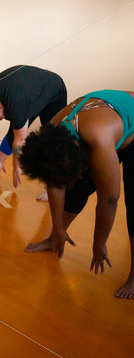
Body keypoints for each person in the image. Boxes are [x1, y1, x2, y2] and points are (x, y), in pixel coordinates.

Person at [19, 90, 134, 299]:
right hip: (108, 120)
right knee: (77, 189)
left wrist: (99, 244)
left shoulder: (98, 139)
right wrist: (58, 228)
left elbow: (109, 200)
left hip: (124, 124)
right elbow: (54, 181)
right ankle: (55, 238)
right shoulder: (52, 133)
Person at [0, 65, 67, 196]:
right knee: (14, 131)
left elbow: (20, 141)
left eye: (0, 117)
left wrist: (16, 167)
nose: (2, 119)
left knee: (53, 140)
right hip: (30, 92)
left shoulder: (16, 104)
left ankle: (54, 186)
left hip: (53, 91)